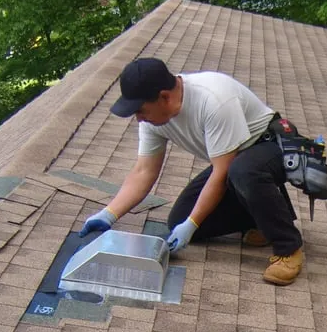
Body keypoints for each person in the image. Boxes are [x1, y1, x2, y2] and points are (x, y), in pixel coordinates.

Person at [78, 57, 305, 286]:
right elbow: (144, 172)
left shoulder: (214, 100)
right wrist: (109, 213)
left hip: (271, 145)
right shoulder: (151, 120)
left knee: (242, 173)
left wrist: (192, 222)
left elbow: (221, 173)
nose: (138, 118)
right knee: (180, 219)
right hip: (236, 159)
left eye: (141, 110)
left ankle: (288, 249)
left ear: (164, 97)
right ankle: (266, 215)